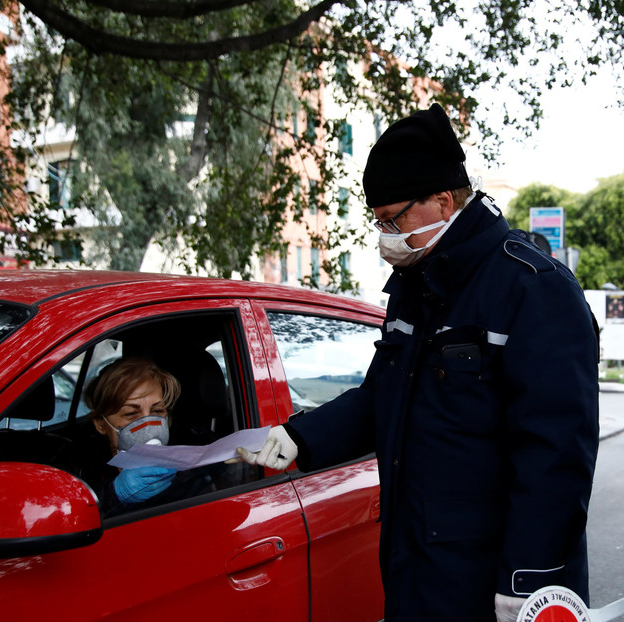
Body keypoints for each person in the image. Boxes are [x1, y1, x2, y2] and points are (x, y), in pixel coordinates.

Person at [239, 103, 600, 621]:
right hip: (418, 564)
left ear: (443, 200)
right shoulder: (417, 284)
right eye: (377, 220)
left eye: (393, 217)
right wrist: (303, 435)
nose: (385, 233)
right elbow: (383, 394)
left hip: (495, 580)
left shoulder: (532, 288)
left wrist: (530, 582)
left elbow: (556, 457)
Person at [81, 357, 206, 515]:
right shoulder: (81, 466)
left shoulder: (190, 454)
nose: (147, 426)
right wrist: (114, 494)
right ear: (100, 423)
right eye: (131, 413)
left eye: (157, 411)